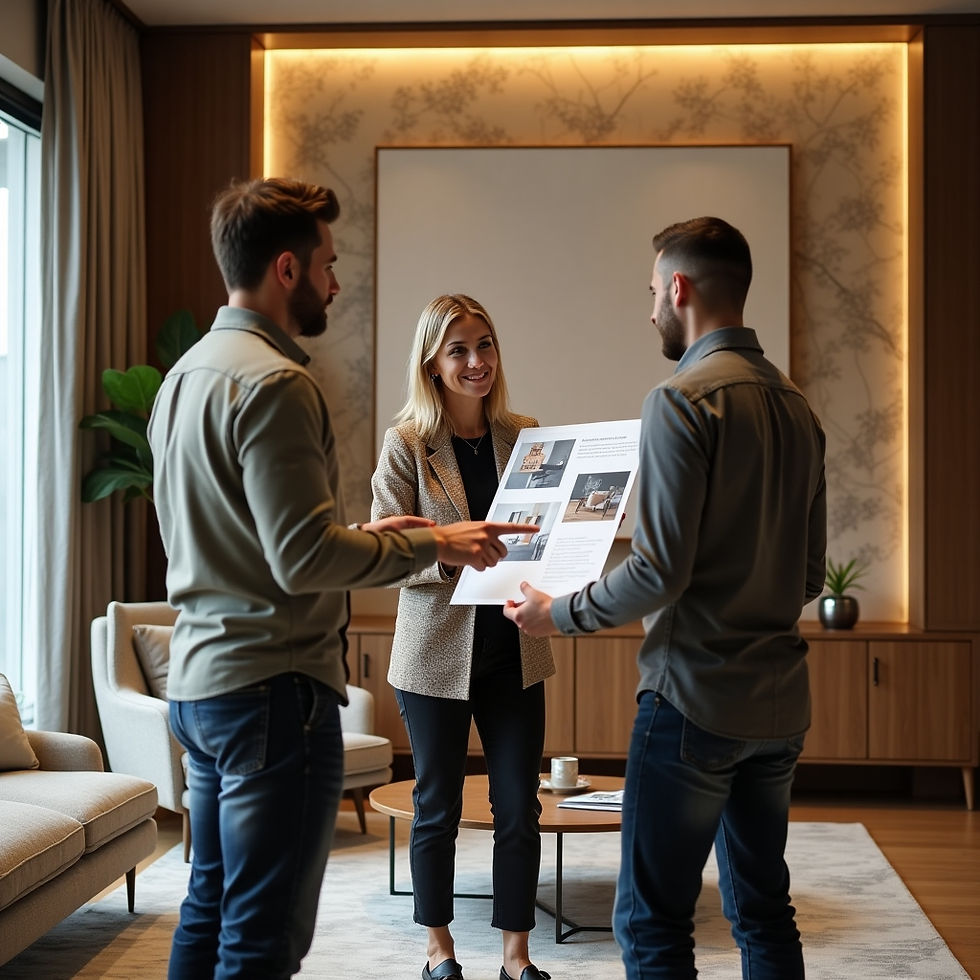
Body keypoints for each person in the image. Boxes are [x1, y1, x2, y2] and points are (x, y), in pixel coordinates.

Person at [147, 180, 540, 979]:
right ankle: (442, 951)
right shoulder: (277, 384)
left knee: (210, 907)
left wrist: (364, 536)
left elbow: (243, 539)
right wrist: (430, 545)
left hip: (199, 682)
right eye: (328, 263)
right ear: (287, 269)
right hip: (268, 688)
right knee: (261, 935)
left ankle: (511, 954)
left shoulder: (184, 377)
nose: (337, 281)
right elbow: (299, 560)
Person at [504, 217, 827, 980]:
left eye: (652, 291)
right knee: (763, 911)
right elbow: (809, 577)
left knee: (651, 921)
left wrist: (558, 613)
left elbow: (657, 573)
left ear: (678, 289)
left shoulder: (680, 401)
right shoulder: (798, 410)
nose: (650, 307)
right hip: (780, 706)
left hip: (692, 702)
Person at [370, 294, 555, 980]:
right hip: (434, 656)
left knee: (517, 804)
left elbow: (545, 536)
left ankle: (515, 957)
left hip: (516, 649)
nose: (476, 361)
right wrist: (452, 549)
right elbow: (387, 554)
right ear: (432, 363)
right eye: (458, 349)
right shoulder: (407, 445)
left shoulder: (527, 437)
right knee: (437, 806)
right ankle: (439, 950)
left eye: (485, 345)